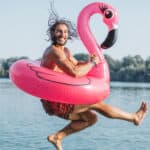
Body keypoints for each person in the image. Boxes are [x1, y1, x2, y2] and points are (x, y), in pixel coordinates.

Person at [40, 18, 148, 150]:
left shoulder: (65, 51)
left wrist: (89, 61)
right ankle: (134, 117)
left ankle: (57, 137)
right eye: (59, 31)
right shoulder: (53, 51)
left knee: (91, 118)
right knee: (96, 102)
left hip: (61, 99)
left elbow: (76, 65)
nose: (63, 35)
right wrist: (92, 64)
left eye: (65, 32)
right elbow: (74, 72)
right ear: (52, 33)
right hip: (54, 102)